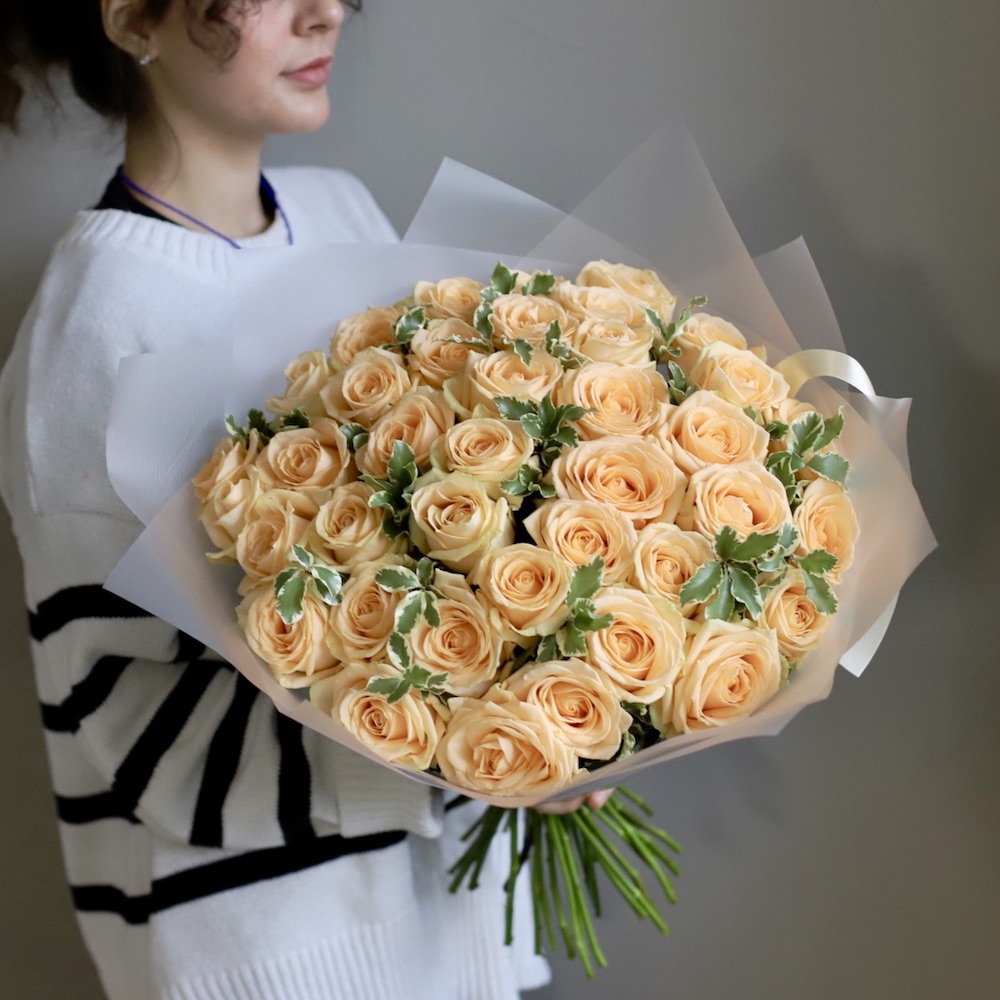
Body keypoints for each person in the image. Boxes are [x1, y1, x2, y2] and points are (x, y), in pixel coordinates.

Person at [0, 2, 611, 996]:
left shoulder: (341, 215)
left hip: (450, 931)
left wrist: (563, 704)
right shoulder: (97, 322)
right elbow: (136, 732)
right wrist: (460, 746)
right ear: (132, 19)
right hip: (275, 959)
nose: (326, 11)